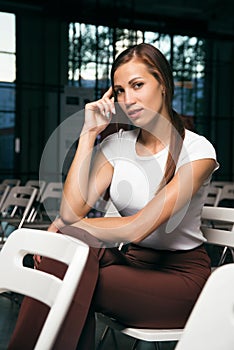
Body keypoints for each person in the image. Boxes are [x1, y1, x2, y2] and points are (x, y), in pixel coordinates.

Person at [9, 43, 219, 350]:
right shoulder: (116, 145)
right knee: (70, 254)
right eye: (120, 90)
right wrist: (88, 134)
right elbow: (70, 210)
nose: (128, 100)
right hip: (130, 263)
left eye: (137, 85)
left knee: (67, 278)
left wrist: (72, 228)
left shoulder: (197, 150)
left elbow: (137, 227)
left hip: (180, 280)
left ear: (163, 85)